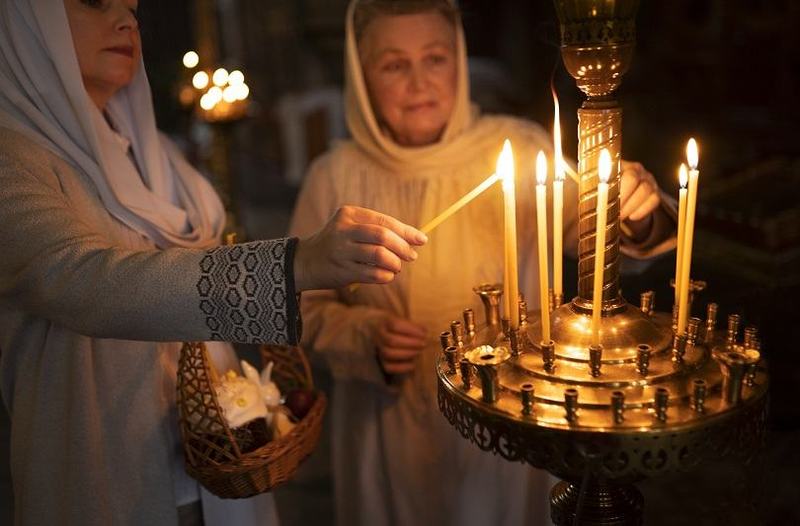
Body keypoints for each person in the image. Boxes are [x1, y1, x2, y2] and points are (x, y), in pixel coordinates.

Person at [0, 1, 428, 525]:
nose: (128, 19)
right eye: (96, 1)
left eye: (132, 6)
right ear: (25, 17)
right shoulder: (13, 163)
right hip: (113, 466)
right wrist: (295, 264)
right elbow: (83, 280)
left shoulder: (154, 149)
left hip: (218, 452)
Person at [289, 1, 677, 525]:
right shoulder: (333, 177)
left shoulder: (515, 146)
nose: (419, 81)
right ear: (361, 76)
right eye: (393, 64)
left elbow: (598, 243)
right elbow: (300, 304)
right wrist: (360, 335)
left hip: (510, 415)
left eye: (436, 58)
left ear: (460, 60)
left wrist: (631, 212)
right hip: (390, 424)